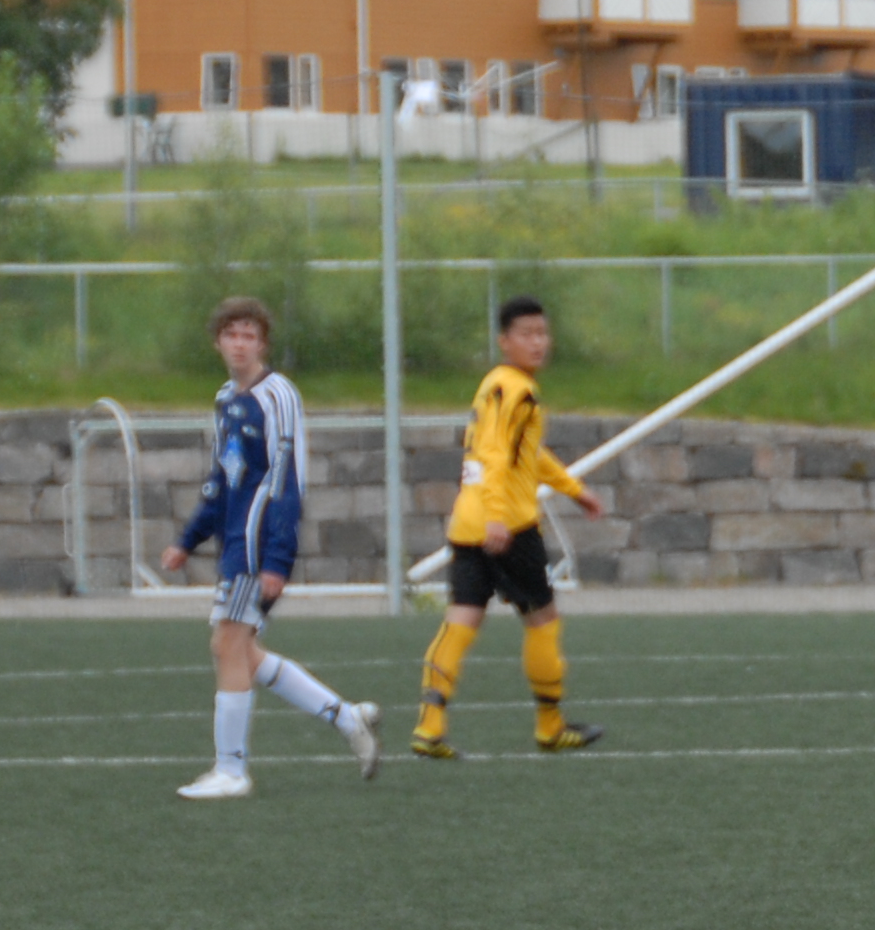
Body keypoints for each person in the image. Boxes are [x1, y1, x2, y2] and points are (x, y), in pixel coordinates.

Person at [157, 297, 381, 800]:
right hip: (233, 543)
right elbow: (222, 479)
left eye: (249, 336)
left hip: (257, 546)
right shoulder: (225, 399)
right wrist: (187, 540)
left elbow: (287, 480)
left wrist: (278, 558)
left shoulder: (278, 396)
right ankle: (348, 718)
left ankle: (231, 771)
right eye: (231, 335)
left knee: (228, 645)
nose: (239, 344)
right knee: (240, 650)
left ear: (262, 344)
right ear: (217, 342)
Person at [412, 295, 606, 758]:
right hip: (508, 527)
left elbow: (526, 454)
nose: (538, 343)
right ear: (505, 341)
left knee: (462, 618)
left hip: (467, 523)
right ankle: (550, 726)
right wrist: (499, 517)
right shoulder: (518, 390)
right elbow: (496, 457)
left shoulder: (494, 384)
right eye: (526, 334)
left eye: (542, 333)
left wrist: (572, 488)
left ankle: (429, 725)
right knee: (542, 620)